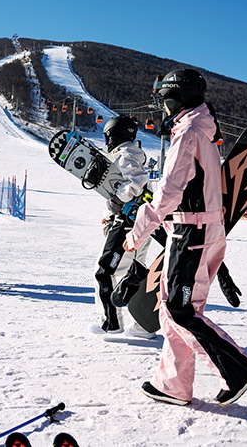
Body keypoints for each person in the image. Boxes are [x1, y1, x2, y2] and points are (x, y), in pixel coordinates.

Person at [123, 68, 247, 407]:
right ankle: (172, 384)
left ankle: (237, 369)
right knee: (177, 310)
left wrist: (138, 233)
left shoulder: (188, 133)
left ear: (176, 98)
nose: (163, 107)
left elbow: (170, 191)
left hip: (192, 232)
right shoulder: (203, 130)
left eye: (165, 99)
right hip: (200, 229)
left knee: (180, 309)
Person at [92, 115, 151, 334]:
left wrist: (117, 200)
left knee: (104, 272)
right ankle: (144, 325)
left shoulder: (125, 155)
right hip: (139, 223)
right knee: (135, 273)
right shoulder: (131, 154)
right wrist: (109, 212)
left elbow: (136, 183)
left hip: (126, 225)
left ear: (114, 136)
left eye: (108, 137)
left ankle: (110, 324)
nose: (107, 142)